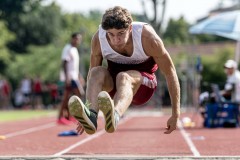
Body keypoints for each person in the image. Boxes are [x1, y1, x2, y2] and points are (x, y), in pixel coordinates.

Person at [68, 6, 180, 134]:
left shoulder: (148, 38)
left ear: (130, 28)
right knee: (95, 72)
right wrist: (87, 109)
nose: (116, 40)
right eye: (111, 34)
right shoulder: (99, 39)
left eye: (121, 33)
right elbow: (93, 78)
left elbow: (170, 72)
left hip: (142, 87)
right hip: (115, 87)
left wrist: (175, 114)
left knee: (124, 77)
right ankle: (91, 116)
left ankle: (115, 115)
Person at [57, 32, 85, 125]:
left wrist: (79, 76)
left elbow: (74, 66)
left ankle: (68, 116)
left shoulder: (74, 50)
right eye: (77, 39)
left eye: (79, 39)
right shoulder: (68, 48)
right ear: (72, 39)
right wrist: (66, 78)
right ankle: (60, 117)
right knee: (78, 94)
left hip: (74, 76)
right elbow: (64, 63)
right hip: (70, 77)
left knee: (69, 97)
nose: (78, 41)